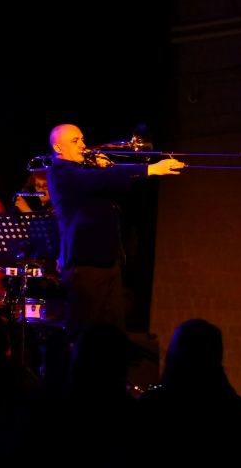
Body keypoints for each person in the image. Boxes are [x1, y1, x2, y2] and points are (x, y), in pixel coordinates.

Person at [45, 123, 183, 335]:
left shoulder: (86, 170)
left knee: (113, 333)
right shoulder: (60, 171)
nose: (83, 145)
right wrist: (151, 169)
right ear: (58, 148)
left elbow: (120, 190)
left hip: (108, 260)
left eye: (82, 139)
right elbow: (94, 180)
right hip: (84, 263)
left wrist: (108, 168)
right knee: (85, 333)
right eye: (75, 141)